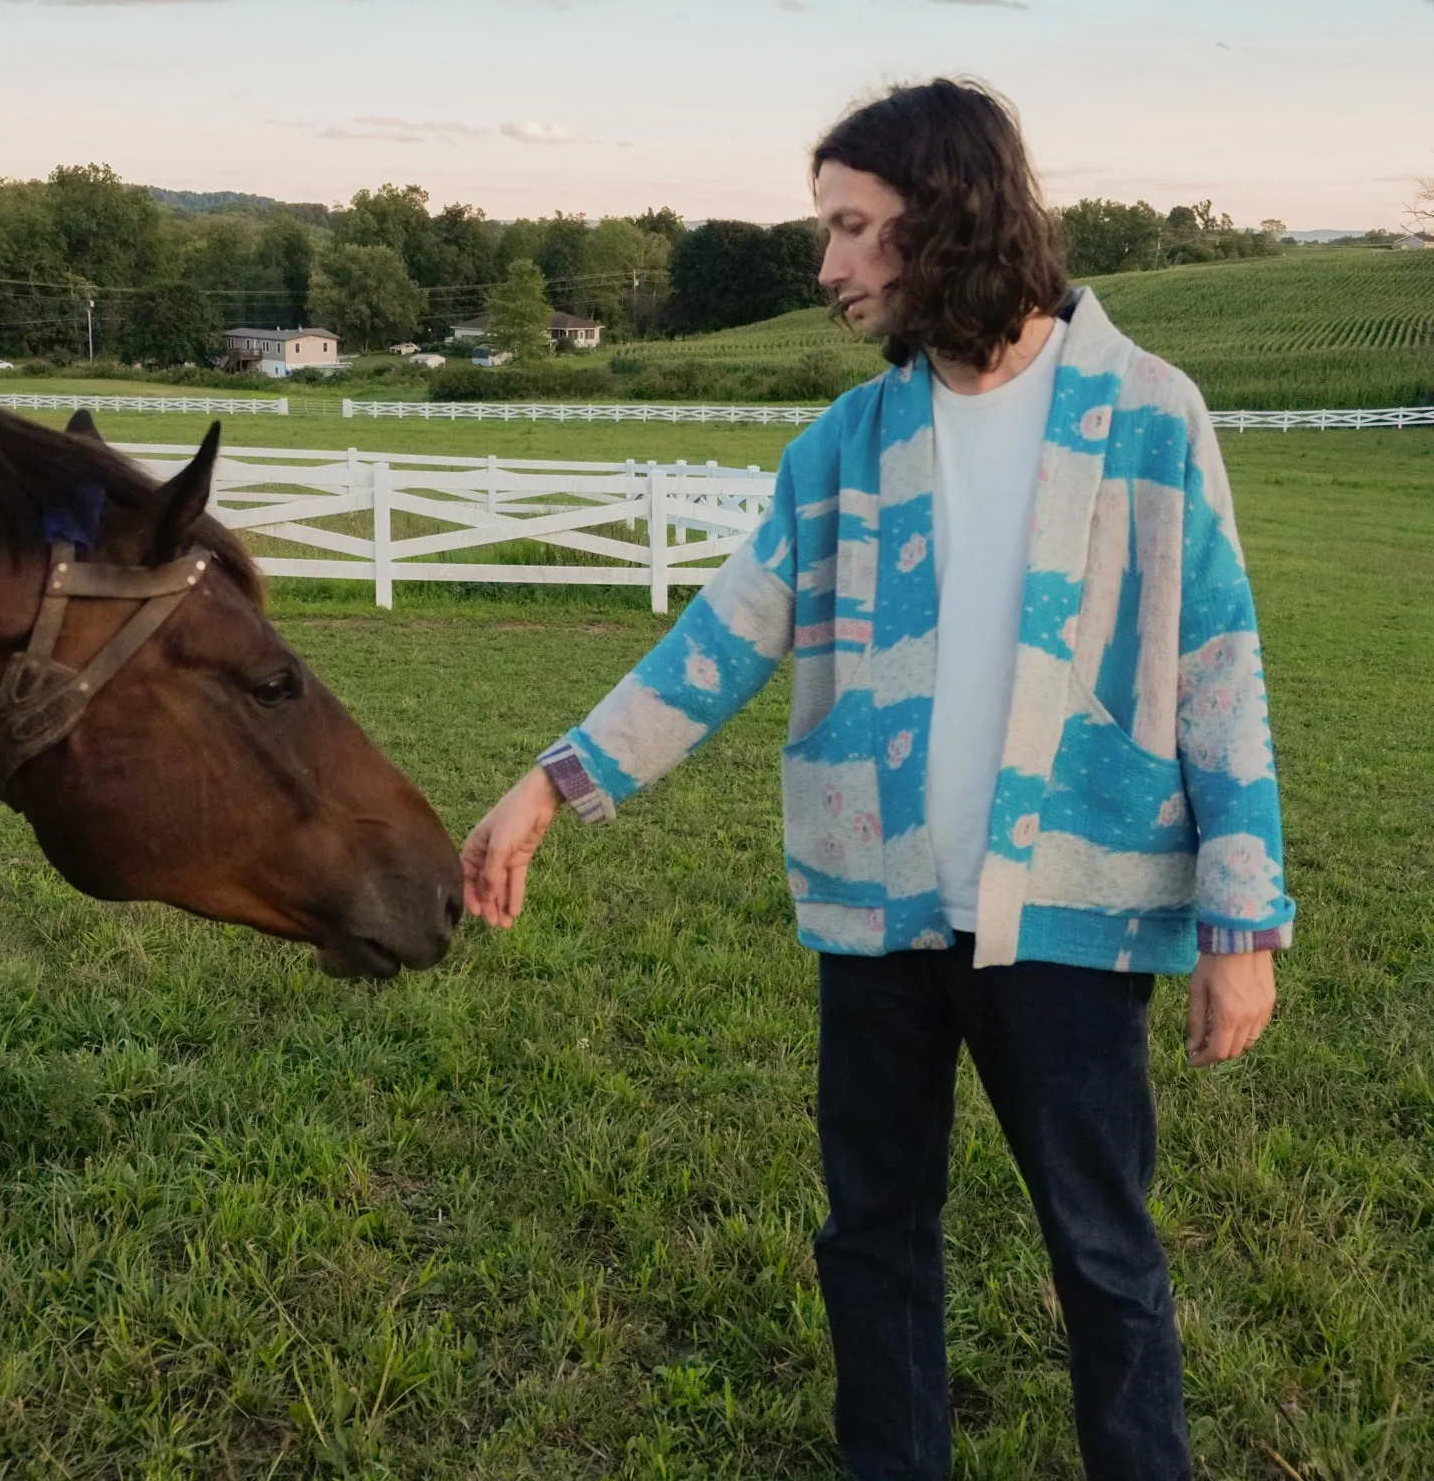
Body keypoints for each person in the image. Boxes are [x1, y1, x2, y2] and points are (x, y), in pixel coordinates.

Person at [462, 78, 1294, 1481]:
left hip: (1074, 923)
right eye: (827, 229)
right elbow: (717, 641)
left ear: (949, 216)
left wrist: (1242, 924)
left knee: (1102, 1252)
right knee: (872, 1239)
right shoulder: (844, 451)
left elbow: (1219, 671)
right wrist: (554, 782)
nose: (827, 265)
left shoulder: (1150, 415)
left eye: (853, 228)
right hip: (881, 916)